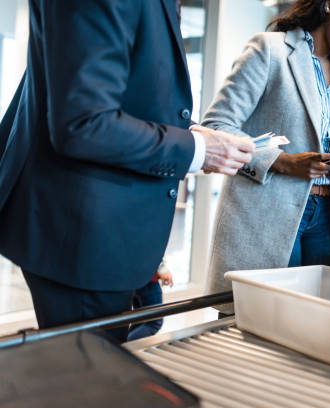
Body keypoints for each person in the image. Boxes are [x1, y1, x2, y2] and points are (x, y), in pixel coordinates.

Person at [0, 0, 254, 342]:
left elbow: (131, 99)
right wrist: (196, 151)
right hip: (80, 236)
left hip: (102, 229)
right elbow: (84, 123)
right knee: (90, 383)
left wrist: (194, 135)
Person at [202, 0, 330, 313]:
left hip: (329, 213)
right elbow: (217, 127)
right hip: (266, 212)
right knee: (260, 318)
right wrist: (285, 162)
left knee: (320, 319)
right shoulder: (269, 50)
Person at [127, 260, 174, 341]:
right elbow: (150, 250)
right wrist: (162, 268)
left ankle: (121, 346)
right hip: (149, 280)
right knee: (154, 323)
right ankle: (123, 347)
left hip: (135, 279)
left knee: (139, 321)